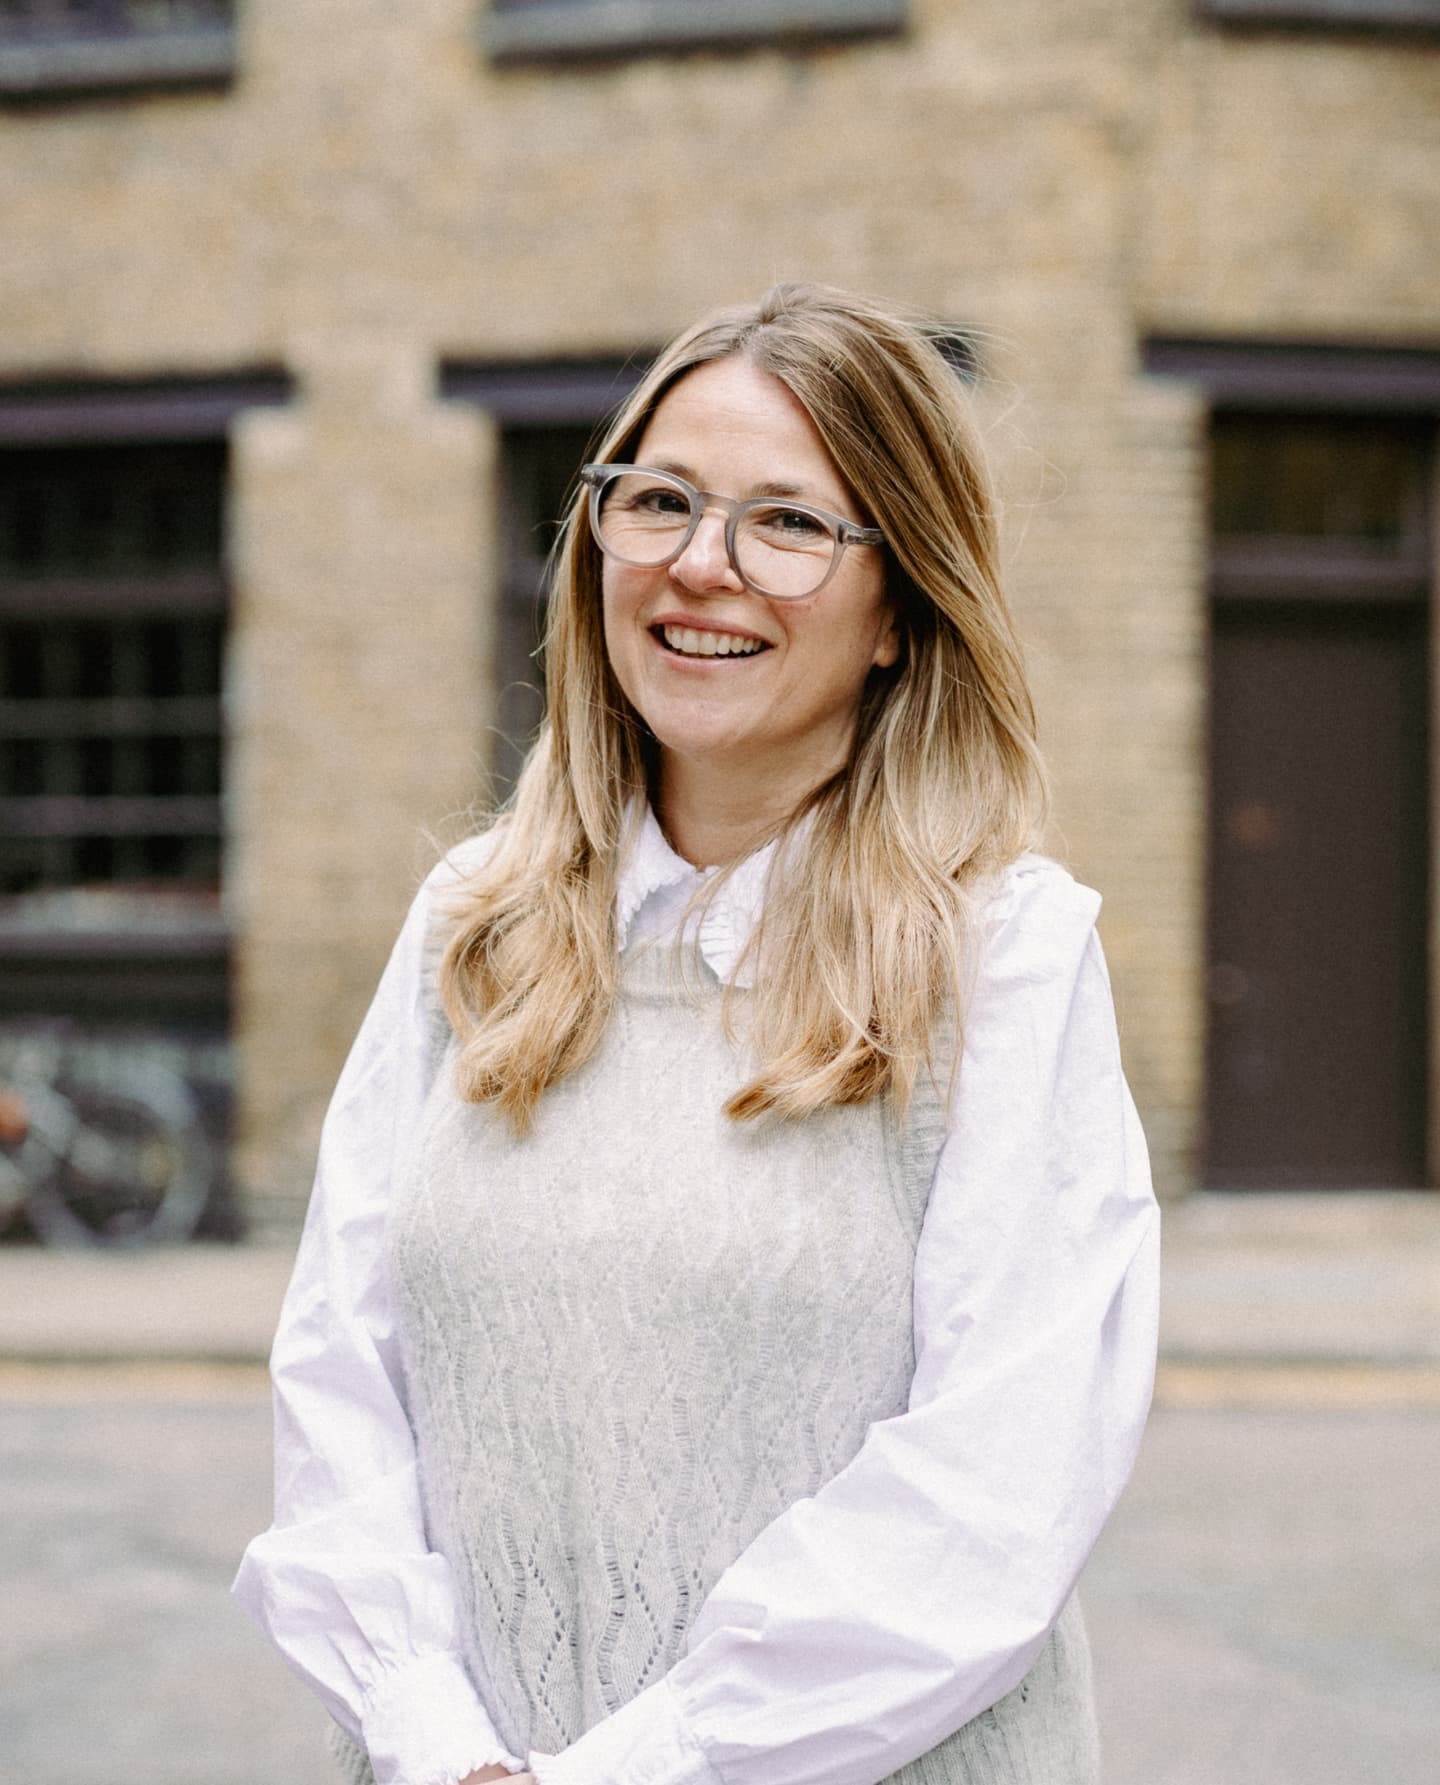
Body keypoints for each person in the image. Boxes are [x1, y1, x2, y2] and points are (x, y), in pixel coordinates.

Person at [233, 282, 1159, 1785]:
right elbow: (340, 1381)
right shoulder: (473, 924)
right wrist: (438, 1741)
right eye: (658, 500)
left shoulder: (1006, 957)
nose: (699, 567)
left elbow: (996, 1492)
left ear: (900, 609)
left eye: (789, 524)